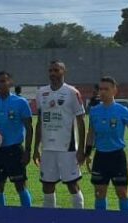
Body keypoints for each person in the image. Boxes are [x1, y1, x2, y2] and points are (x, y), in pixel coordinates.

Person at [32, 60, 87, 209]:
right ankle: (49, 220)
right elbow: (40, 122)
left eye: (56, 70)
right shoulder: (41, 93)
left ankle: (78, 218)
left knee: (72, 184)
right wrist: (36, 147)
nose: (53, 74)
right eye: (50, 71)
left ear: (64, 71)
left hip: (67, 148)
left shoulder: (72, 92)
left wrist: (81, 149)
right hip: (48, 148)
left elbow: (81, 121)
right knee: (47, 185)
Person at [84, 77, 128, 211]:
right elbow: (91, 134)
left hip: (117, 156)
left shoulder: (122, 110)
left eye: (106, 89)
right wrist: (88, 154)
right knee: (99, 193)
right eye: (100, 89)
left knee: (122, 193)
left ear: (114, 90)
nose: (102, 92)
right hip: (100, 157)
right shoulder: (94, 111)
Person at [0, 71, 34, 206]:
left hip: (15, 150)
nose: (0, 84)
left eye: (3, 81)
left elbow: (29, 127)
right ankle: (0, 218)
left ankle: (28, 216)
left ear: (10, 83)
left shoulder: (20, 102)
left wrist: (28, 151)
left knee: (20, 186)